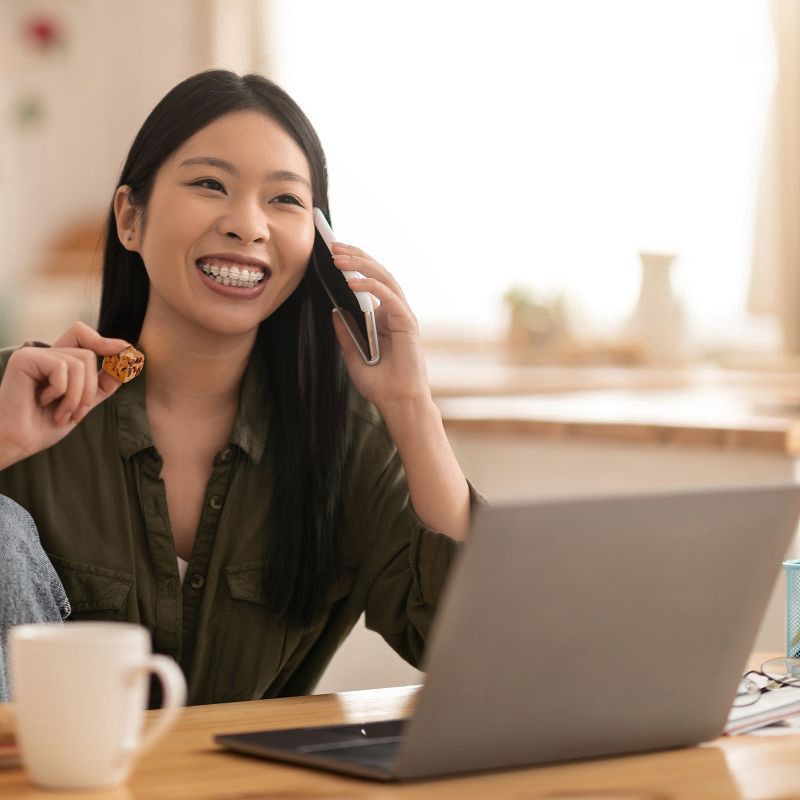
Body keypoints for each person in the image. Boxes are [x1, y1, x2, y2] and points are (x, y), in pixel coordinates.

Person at [0, 70, 480, 705]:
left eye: (283, 200)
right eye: (209, 184)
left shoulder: (349, 438)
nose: (247, 225)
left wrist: (410, 407)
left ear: (320, 244)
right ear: (130, 219)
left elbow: (473, 646)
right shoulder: (20, 394)